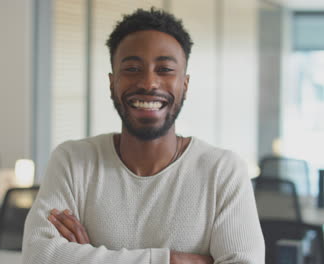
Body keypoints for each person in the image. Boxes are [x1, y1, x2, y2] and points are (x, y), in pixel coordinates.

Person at [22, 7, 264, 264]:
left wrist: (87, 257)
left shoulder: (223, 171)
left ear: (185, 84)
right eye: (133, 69)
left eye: (165, 69)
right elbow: (39, 256)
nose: (149, 83)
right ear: (112, 83)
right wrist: (169, 260)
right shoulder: (73, 161)